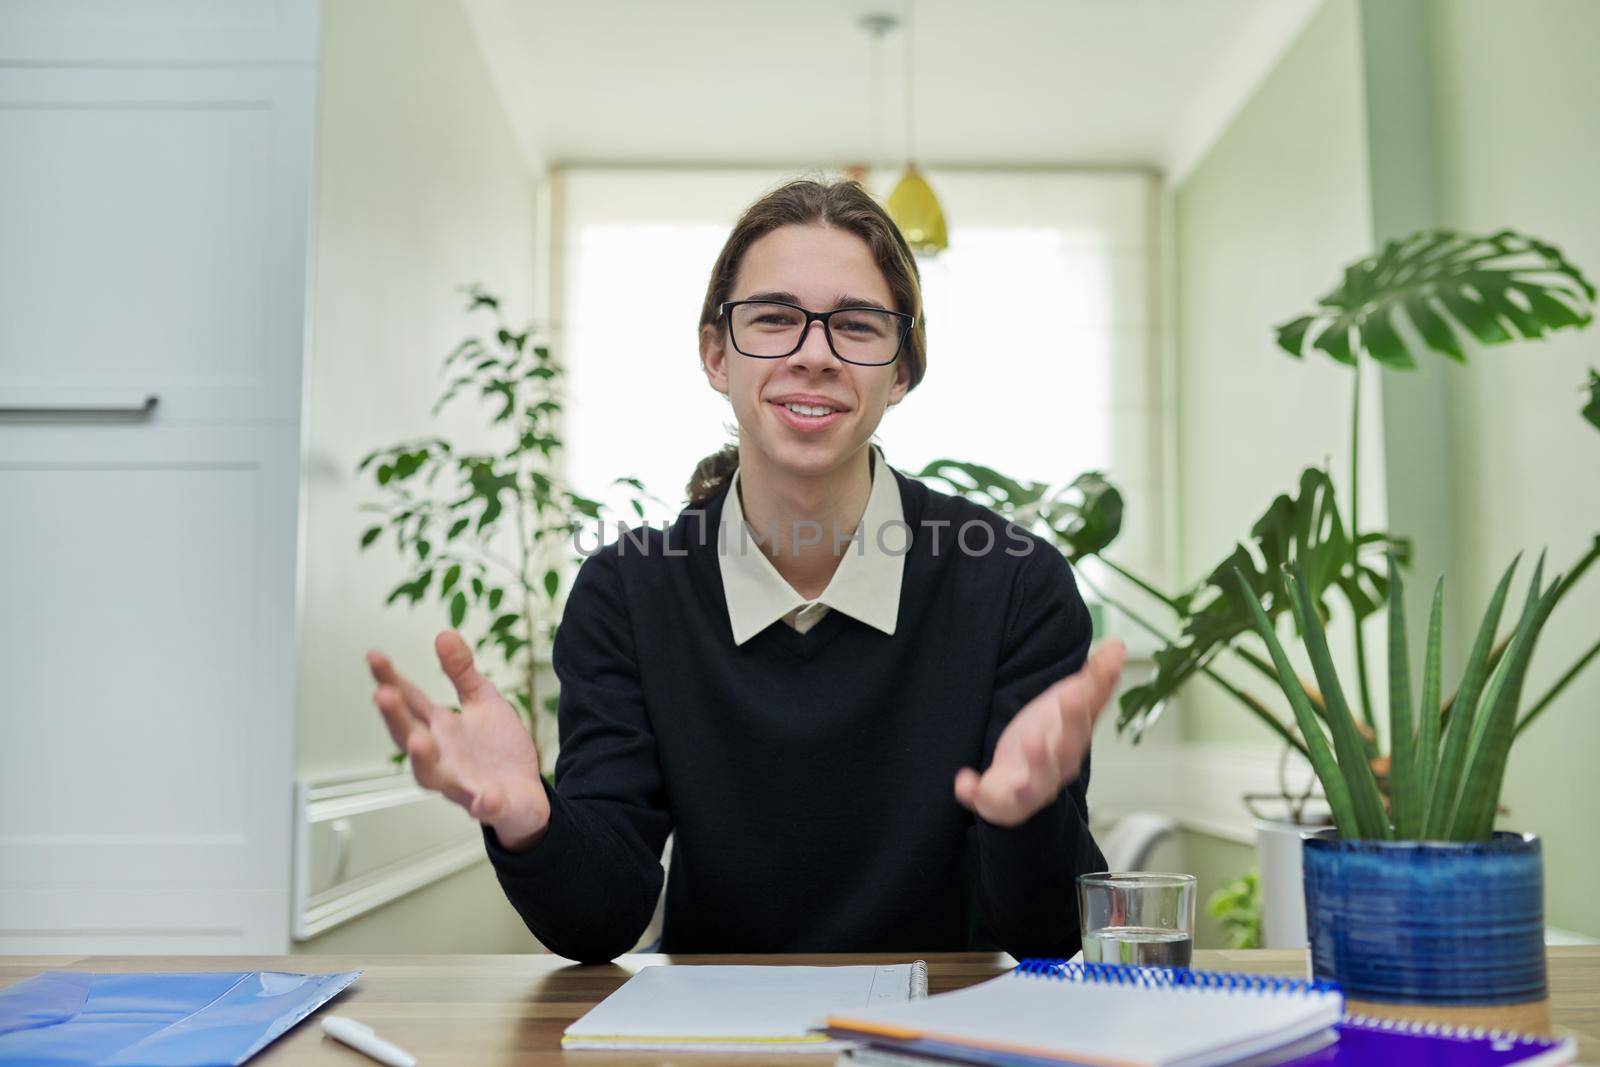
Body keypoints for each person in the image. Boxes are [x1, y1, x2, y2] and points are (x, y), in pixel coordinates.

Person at [367, 178, 1126, 964]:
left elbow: (1047, 935)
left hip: (945, 1034)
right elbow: (601, 921)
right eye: (774, 319)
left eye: (857, 326)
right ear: (715, 354)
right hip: (706, 1038)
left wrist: (1027, 815)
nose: (814, 354)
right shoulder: (626, 594)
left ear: (900, 371)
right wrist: (531, 820)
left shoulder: (1014, 585)